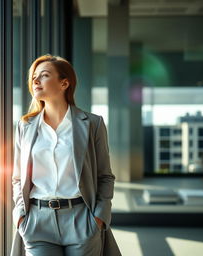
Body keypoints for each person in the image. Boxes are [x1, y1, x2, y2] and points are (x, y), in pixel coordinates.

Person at [10, 54, 121, 256]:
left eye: (43, 75)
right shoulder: (25, 126)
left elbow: (105, 176)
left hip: (81, 219)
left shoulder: (92, 124)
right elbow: (18, 178)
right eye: (34, 76)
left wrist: (99, 218)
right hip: (37, 222)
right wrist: (20, 216)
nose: (35, 80)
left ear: (64, 83)